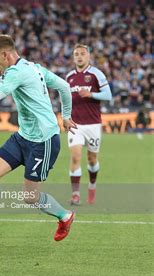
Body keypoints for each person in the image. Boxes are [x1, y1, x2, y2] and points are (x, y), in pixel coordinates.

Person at [0, 35, 77, 246]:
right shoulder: (34, 67)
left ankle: (65, 216)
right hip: (23, 136)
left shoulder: (16, 73)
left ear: (5, 54)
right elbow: (64, 86)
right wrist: (65, 116)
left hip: (43, 141)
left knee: (30, 197)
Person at [66, 44, 112, 205]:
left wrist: (91, 94)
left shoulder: (96, 74)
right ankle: (76, 194)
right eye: (76, 54)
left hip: (93, 124)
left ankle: (92, 186)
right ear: (73, 57)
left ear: (88, 56)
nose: (79, 56)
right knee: (75, 157)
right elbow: (66, 100)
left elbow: (108, 95)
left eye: (82, 54)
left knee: (92, 160)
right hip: (75, 125)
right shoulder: (69, 77)